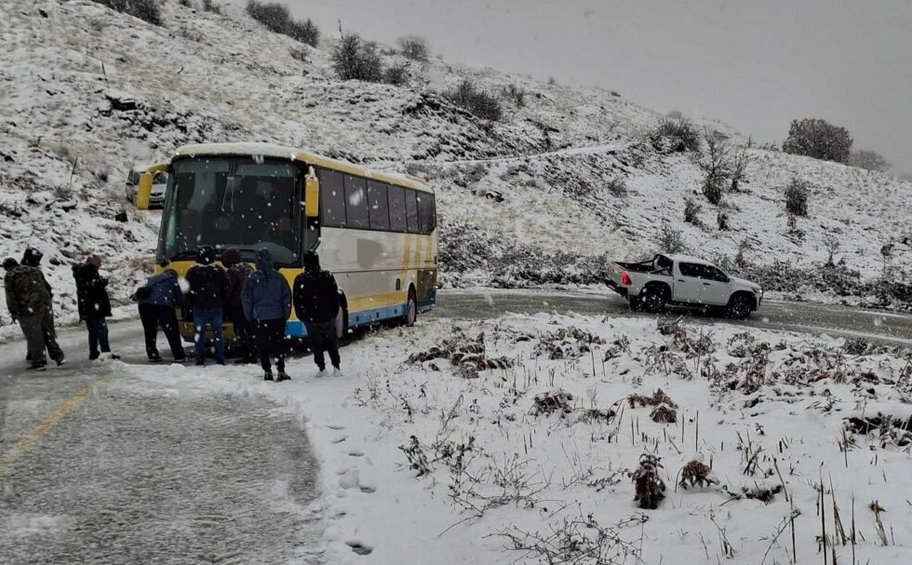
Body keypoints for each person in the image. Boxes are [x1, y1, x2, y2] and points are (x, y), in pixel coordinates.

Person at [5, 252, 65, 369]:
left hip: (28, 309)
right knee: (48, 333)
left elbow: (10, 296)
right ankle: (59, 357)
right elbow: (48, 287)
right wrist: (45, 302)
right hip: (45, 305)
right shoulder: (35, 270)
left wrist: (14, 312)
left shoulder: (10, 275)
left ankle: (39, 362)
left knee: (34, 337)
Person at [242, 248, 291, 381]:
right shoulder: (279, 278)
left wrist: (250, 316)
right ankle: (281, 370)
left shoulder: (252, 279)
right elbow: (286, 298)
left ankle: (267, 370)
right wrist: (285, 315)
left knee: (262, 345)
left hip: (260, 318)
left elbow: (246, 299)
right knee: (278, 344)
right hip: (277, 317)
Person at [292, 251, 341, 375]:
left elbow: (297, 300)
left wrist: (302, 316)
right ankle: (336, 366)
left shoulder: (300, 279)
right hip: (326, 316)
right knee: (331, 342)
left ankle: (321, 367)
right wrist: (333, 313)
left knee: (316, 343)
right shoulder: (327, 276)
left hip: (310, 317)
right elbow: (335, 297)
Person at [185, 246, 228, 366]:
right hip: (216, 306)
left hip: (199, 308)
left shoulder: (193, 272)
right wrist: (221, 301)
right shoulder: (218, 270)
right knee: (218, 334)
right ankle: (220, 358)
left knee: (199, 334)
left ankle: (200, 358)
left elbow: (187, 290)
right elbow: (226, 287)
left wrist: (190, 303)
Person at [136, 263, 187, 362]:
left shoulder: (154, 278)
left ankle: (152, 355)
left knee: (150, 330)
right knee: (172, 331)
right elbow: (179, 299)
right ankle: (179, 356)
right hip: (163, 305)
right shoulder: (174, 280)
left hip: (144, 305)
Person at [72, 254, 117, 360]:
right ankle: (105, 352)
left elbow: (88, 287)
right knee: (102, 330)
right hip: (94, 307)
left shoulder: (82, 272)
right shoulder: (89, 272)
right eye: (98, 262)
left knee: (93, 331)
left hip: (87, 307)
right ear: (92, 262)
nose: (100, 264)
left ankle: (93, 352)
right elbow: (93, 287)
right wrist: (102, 282)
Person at [220, 248, 255, 363]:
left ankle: (247, 354)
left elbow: (227, 290)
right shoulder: (249, 268)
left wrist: (223, 304)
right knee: (251, 330)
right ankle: (254, 352)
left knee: (241, 330)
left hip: (237, 306)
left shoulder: (232, 271)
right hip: (250, 305)